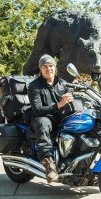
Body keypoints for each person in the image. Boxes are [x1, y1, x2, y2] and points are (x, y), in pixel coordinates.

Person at [28, 54, 73, 183]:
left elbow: (70, 98)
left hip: (60, 117)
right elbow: (37, 110)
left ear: (55, 67)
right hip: (43, 118)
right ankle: (48, 164)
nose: (49, 69)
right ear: (41, 69)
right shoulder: (34, 86)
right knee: (43, 122)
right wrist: (59, 105)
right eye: (45, 66)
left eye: (51, 65)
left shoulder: (63, 83)